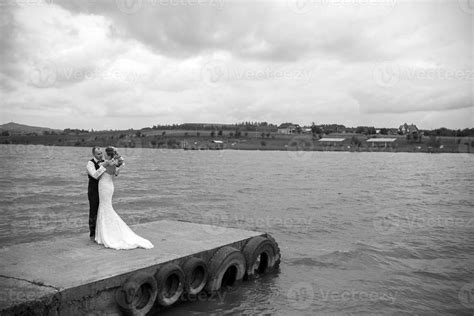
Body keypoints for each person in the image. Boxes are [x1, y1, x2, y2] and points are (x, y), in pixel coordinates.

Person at [94, 146, 153, 250]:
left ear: (108, 155)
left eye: (105, 153)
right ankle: (105, 233)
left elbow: (97, 174)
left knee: (104, 207)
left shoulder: (106, 163)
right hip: (110, 186)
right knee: (106, 207)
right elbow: (116, 173)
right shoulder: (114, 165)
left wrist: (107, 163)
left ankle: (106, 235)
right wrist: (116, 164)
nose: (103, 155)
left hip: (104, 186)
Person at [86, 147, 109, 242]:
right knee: (93, 212)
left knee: (104, 210)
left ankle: (103, 233)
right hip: (94, 191)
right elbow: (95, 175)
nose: (101, 155)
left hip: (103, 190)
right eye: (98, 154)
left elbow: (112, 174)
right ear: (94, 154)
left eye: (101, 153)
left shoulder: (105, 161)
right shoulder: (90, 163)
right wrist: (103, 166)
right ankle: (92, 234)